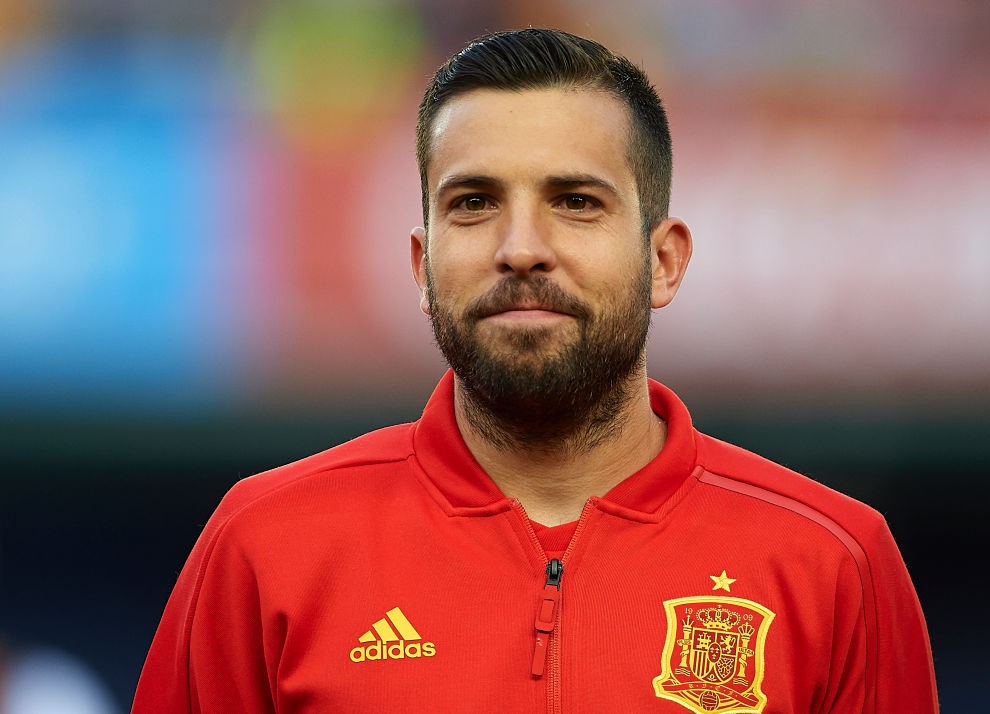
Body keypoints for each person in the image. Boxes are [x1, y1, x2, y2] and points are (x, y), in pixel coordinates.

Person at [132, 28, 938, 713]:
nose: (521, 248)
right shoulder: (264, 543)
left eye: (576, 201)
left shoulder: (834, 561)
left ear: (663, 261)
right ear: (421, 266)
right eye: (474, 203)